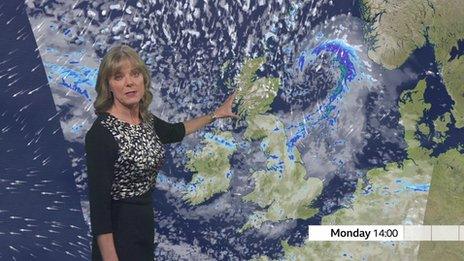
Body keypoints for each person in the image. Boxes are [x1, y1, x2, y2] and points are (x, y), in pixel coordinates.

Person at [84, 45, 236, 261]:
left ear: (143, 80)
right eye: (119, 77)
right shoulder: (100, 134)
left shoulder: (146, 121)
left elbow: (176, 131)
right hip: (118, 237)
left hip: (143, 229)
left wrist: (215, 115)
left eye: (135, 74)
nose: (129, 82)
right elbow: (100, 210)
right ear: (108, 86)